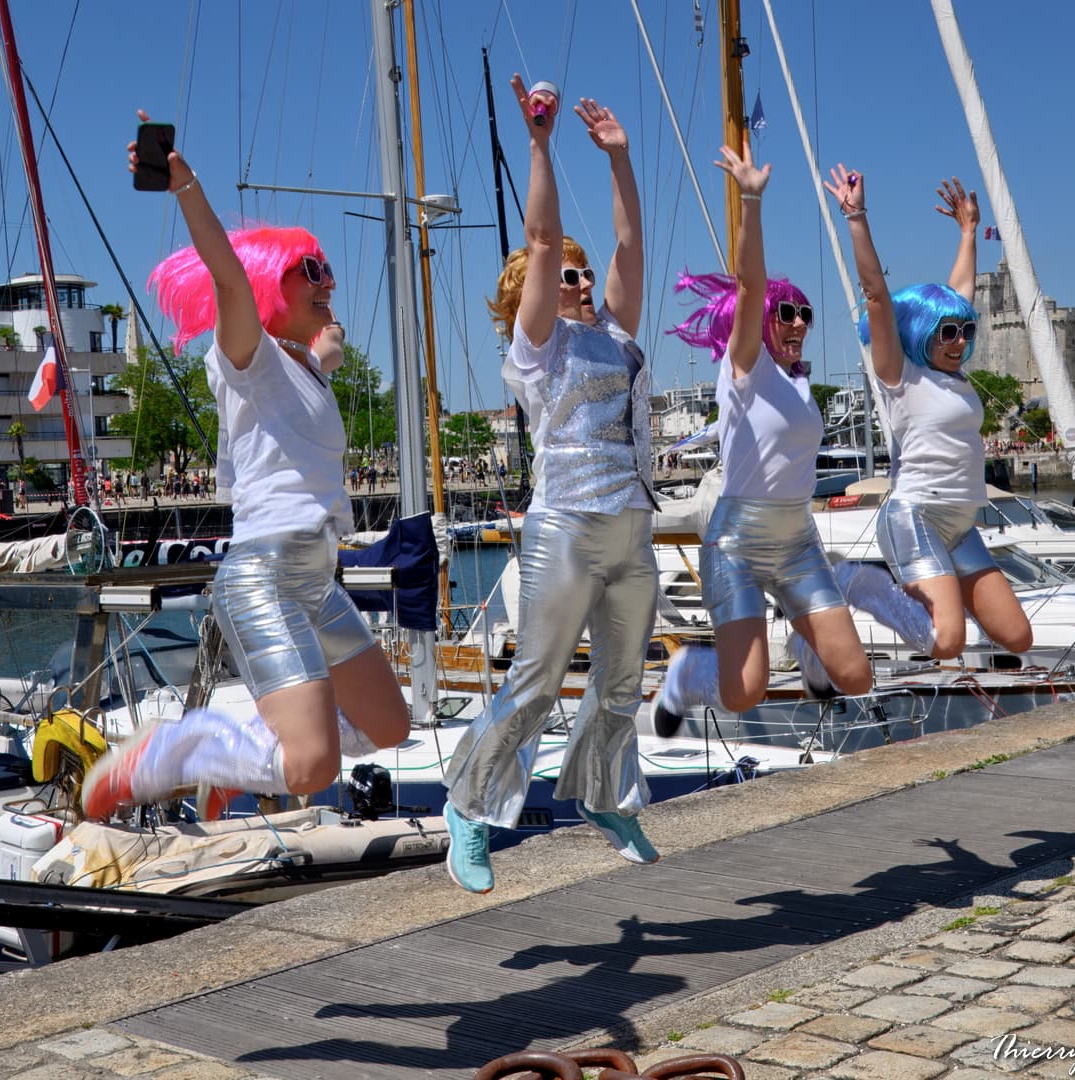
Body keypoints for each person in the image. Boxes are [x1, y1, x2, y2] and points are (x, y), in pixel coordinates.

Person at [82, 117, 410, 821]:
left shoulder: (303, 369)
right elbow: (227, 280)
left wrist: (330, 343)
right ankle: (191, 746)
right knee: (311, 767)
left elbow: (324, 355)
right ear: (269, 286)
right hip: (263, 574)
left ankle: (250, 748)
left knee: (391, 726)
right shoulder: (250, 359)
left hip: (314, 579)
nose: (326, 283)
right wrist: (185, 187)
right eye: (308, 273)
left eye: (325, 271)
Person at [439, 79, 659, 894]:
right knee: (534, 683)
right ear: (529, 293)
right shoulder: (536, 350)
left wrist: (621, 162)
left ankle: (603, 796)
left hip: (630, 527)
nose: (578, 280)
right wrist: (538, 143)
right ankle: (469, 807)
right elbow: (541, 237)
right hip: (565, 524)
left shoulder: (617, 336)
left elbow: (631, 248)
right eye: (565, 274)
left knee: (623, 684)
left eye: (580, 273)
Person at [652, 139, 875, 738]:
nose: (800, 322)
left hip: (796, 538)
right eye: (788, 313)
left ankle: (809, 655)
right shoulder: (745, 368)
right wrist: (750, 200)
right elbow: (750, 286)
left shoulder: (800, 383)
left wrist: (856, 217)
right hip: (739, 543)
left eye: (806, 313)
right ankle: (686, 673)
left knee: (855, 676)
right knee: (745, 691)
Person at [827, 164, 1031, 661]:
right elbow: (876, 295)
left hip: (960, 523)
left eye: (965, 331)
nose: (960, 341)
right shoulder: (902, 376)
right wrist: (856, 217)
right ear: (921, 334)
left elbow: (960, 293)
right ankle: (857, 582)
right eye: (947, 333)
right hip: (915, 515)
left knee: (1017, 636)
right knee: (947, 640)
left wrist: (967, 232)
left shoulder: (952, 373)